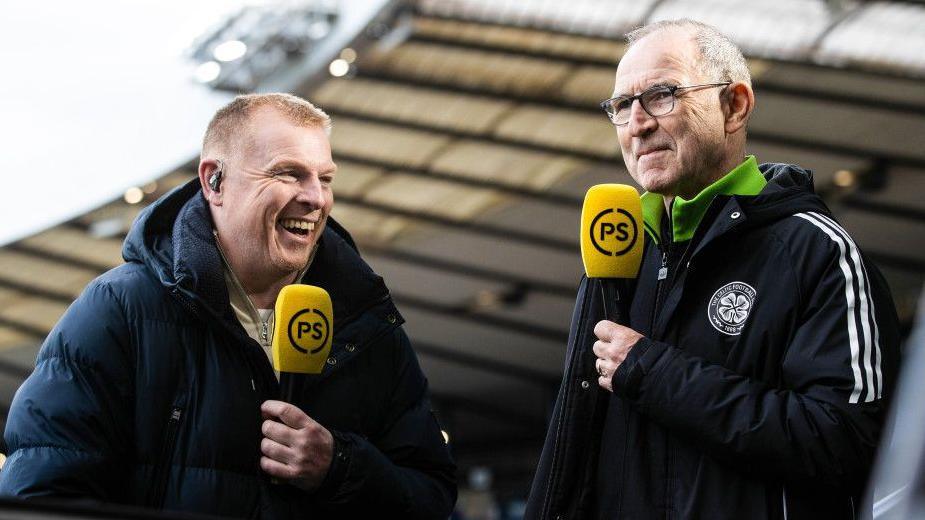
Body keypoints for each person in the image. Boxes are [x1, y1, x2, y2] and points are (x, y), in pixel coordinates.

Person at [0, 93, 457, 518]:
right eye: (288, 173)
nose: (316, 198)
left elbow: (431, 496)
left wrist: (341, 466)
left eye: (325, 178)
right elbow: (41, 499)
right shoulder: (120, 309)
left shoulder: (368, 325)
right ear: (214, 181)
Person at [525, 19, 900, 520]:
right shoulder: (619, 255)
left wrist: (652, 372)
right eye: (621, 106)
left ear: (734, 106)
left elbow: (848, 445)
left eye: (661, 95)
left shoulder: (817, 252)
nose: (637, 123)